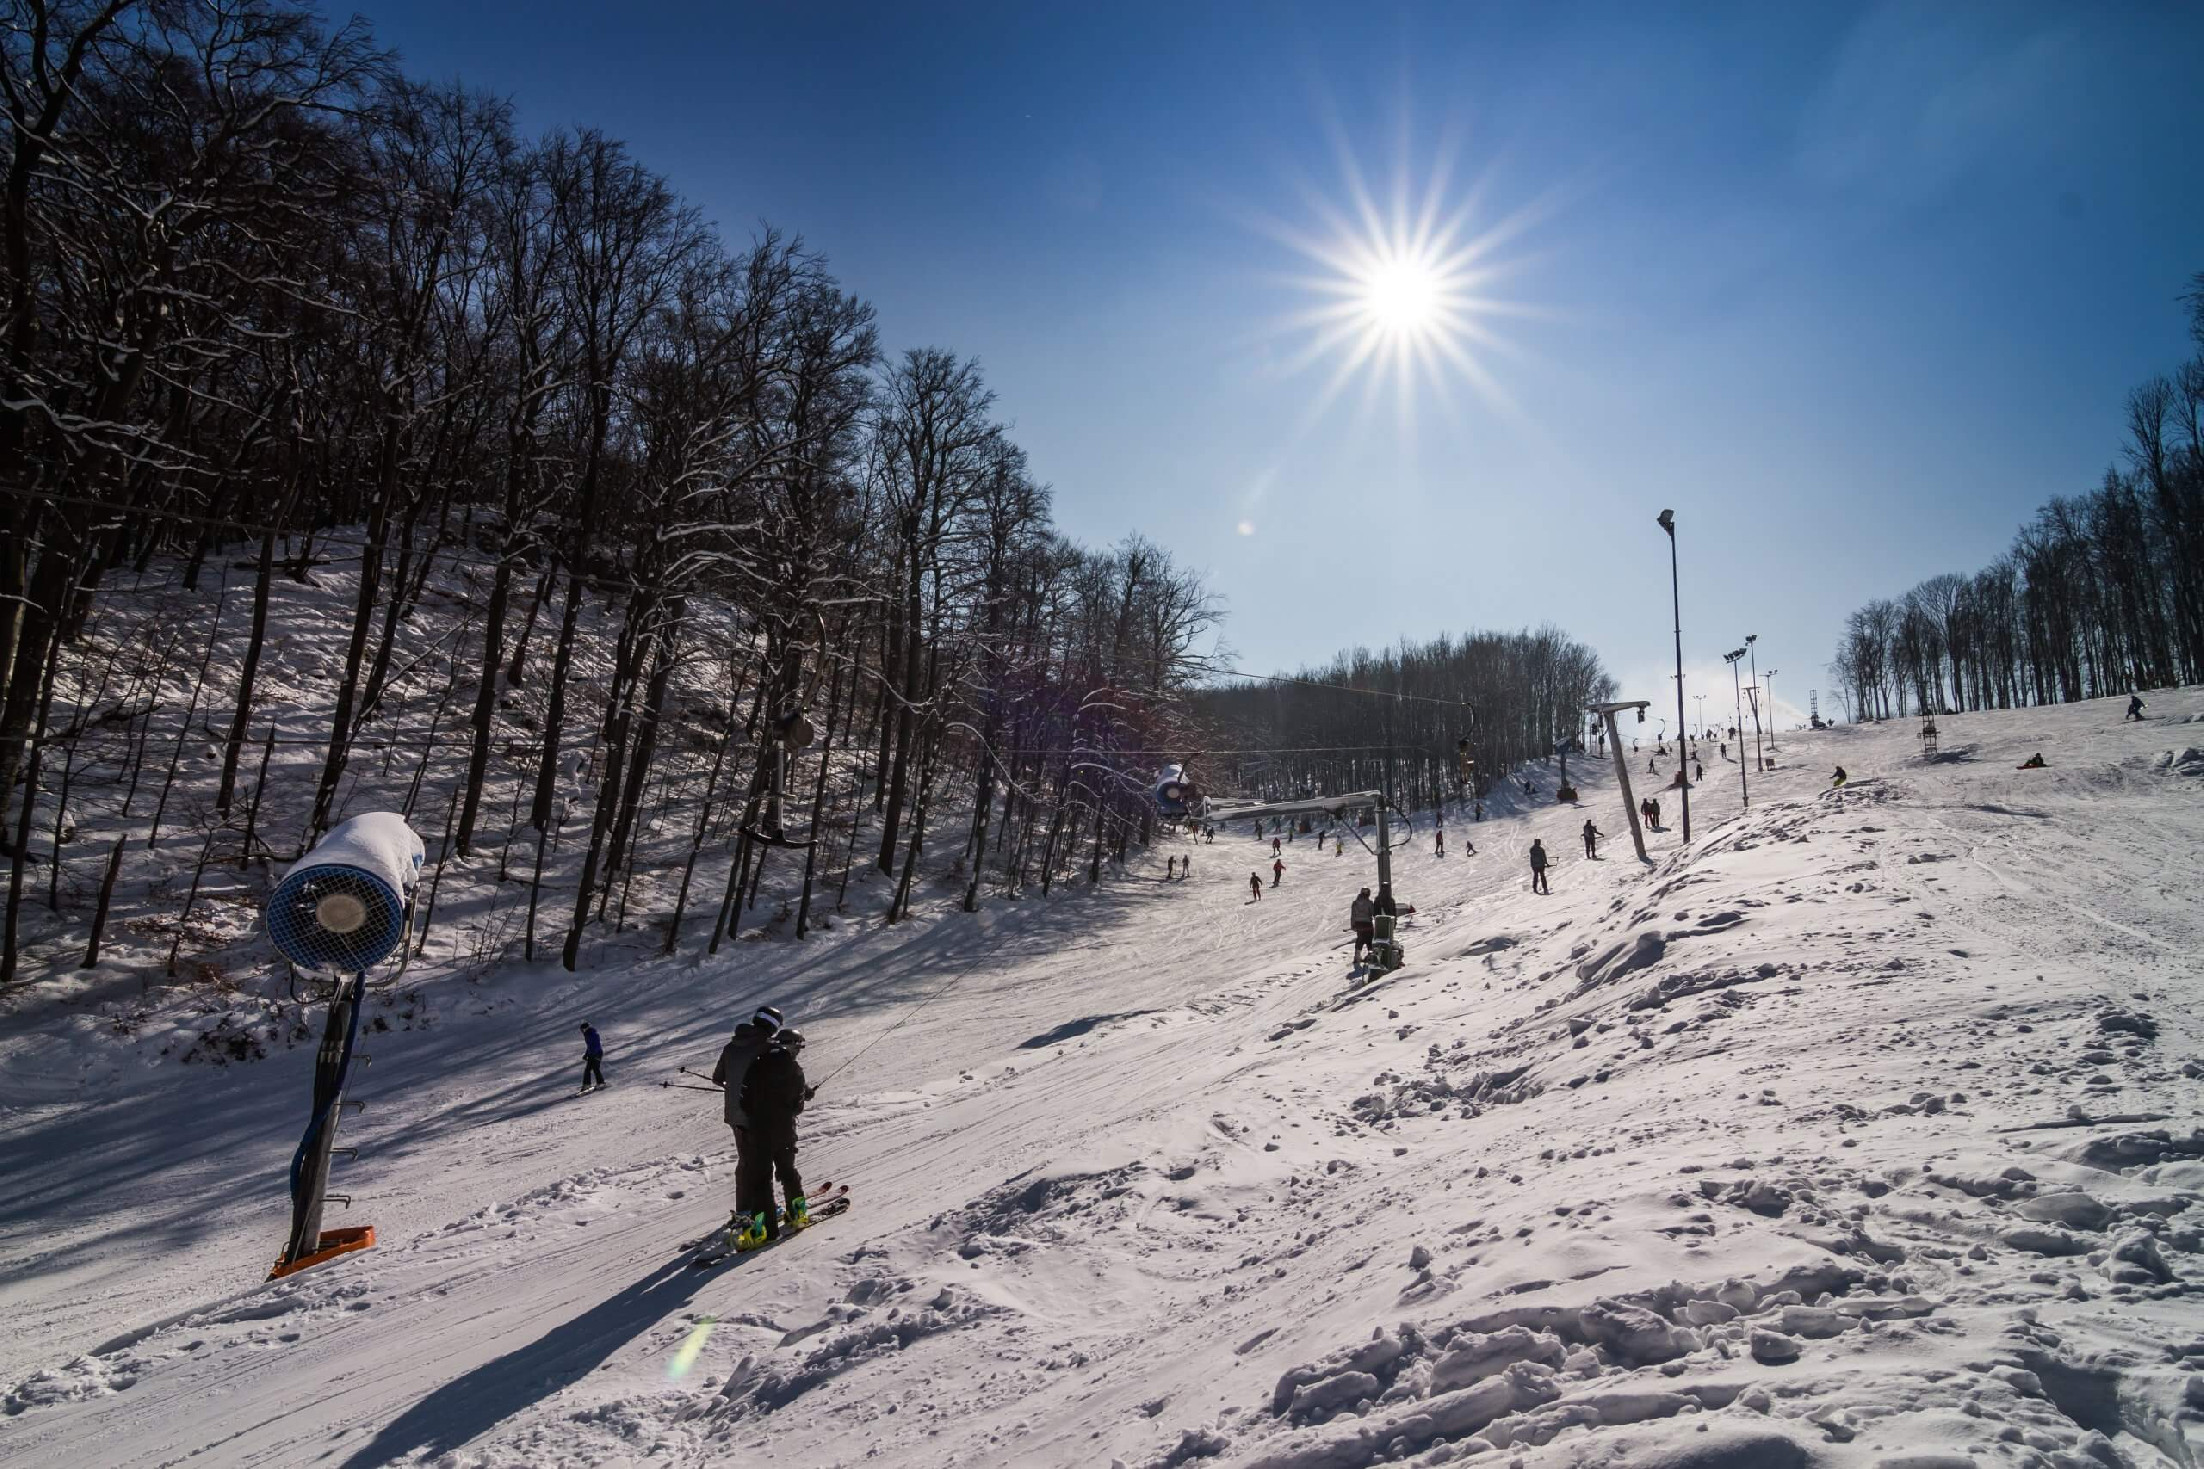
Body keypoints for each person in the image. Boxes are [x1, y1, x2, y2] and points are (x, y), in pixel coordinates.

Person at [734, 1028, 813, 1249]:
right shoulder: (795, 1070)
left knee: (760, 1181)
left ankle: (765, 1230)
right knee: (788, 1172)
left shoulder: (756, 1065)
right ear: (792, 1046)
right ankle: (797, 1215)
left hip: (758, 1133)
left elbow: (744, 1100)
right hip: (785, 1131)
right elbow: (797, 1106)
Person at [711, 1006, 782, 1223]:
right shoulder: (769, 1048)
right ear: (772, 1026)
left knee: (745, 1161)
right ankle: (764, 1207)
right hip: (759, 1115)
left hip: (735, 1115)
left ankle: (743, 1209)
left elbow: (717, 1078)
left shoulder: (731, 1047)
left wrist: (734, 1083)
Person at [1350, 887, 1375, 965]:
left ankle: (1357, 956)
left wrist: (1353, 925)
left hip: (1358, 924)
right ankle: (1370, 954)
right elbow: (1373, 912)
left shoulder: (1355, 903)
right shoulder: (1369, 903)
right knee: (1369, 939)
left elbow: (1353, 915)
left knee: (1360, 939)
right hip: (1367, 924)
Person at [579, 1022, 605, 1093]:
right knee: (587, 1069)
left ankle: (601, 1082)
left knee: (595, 1068)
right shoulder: (587, 1035)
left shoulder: (594, 1034)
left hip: (597, 1053)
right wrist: (586, 1054)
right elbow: (589, 1046)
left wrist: (594, 1055)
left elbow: (596, 1045)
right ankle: (586, 1084)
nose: (581, 1031)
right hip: (591, 1054)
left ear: (585, 1029)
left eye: (582, 1030)